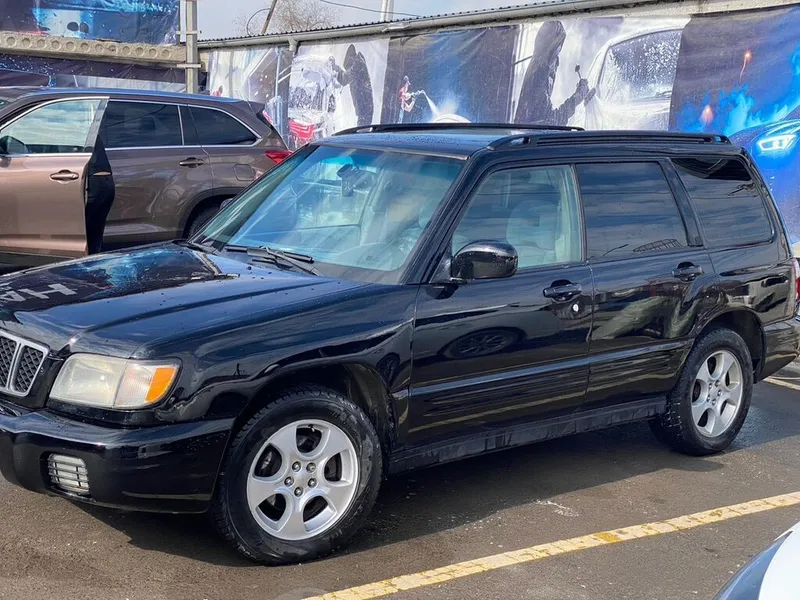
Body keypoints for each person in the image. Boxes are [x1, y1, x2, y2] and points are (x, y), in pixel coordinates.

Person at [515, 20, 590, 126]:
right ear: (550, 52)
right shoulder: (538, 78)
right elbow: (551, 121)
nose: (557, 63)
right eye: (556, 54)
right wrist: (578, 97)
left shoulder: (536, 69)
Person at [84, 136, 115, 255]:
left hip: (92, 181)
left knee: (86, 232)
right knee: (95, 232)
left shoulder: (66, 132)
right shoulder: (89, 131)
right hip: (106, 180)